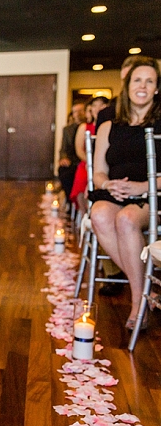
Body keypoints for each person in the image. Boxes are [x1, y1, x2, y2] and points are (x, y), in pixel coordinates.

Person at [90, 56, 161, 330]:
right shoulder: (109, 120)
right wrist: (108, 184)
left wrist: (142, 187)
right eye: (137, 80)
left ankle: (137, 303)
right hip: (115, 191)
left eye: (150, 81)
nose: (142, 86)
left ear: (156, 88)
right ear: (127, 84)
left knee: (127, 220)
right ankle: (148, 290)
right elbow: (98, 171)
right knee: (99, 215)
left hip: (151, 194)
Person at [70, 96, 109, 214]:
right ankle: (84, 212)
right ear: (90, 109)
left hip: (106, 164)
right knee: (82, 179)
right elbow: (79, 150)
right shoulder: (84, 127)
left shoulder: (111, 127)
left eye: (102, 105)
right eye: (95, 105)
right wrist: (91, 162)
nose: (98, 108)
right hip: (87, 163)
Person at [58, 101, 86, 200]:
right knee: (63, 172)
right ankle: (69, 200)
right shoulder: (67, 130)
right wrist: (63, 158)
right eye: (75, 111)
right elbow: (63, 148)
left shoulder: (89, 127)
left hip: (83, 160)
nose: (78, 114)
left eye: (80, 111)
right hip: (72, 160)